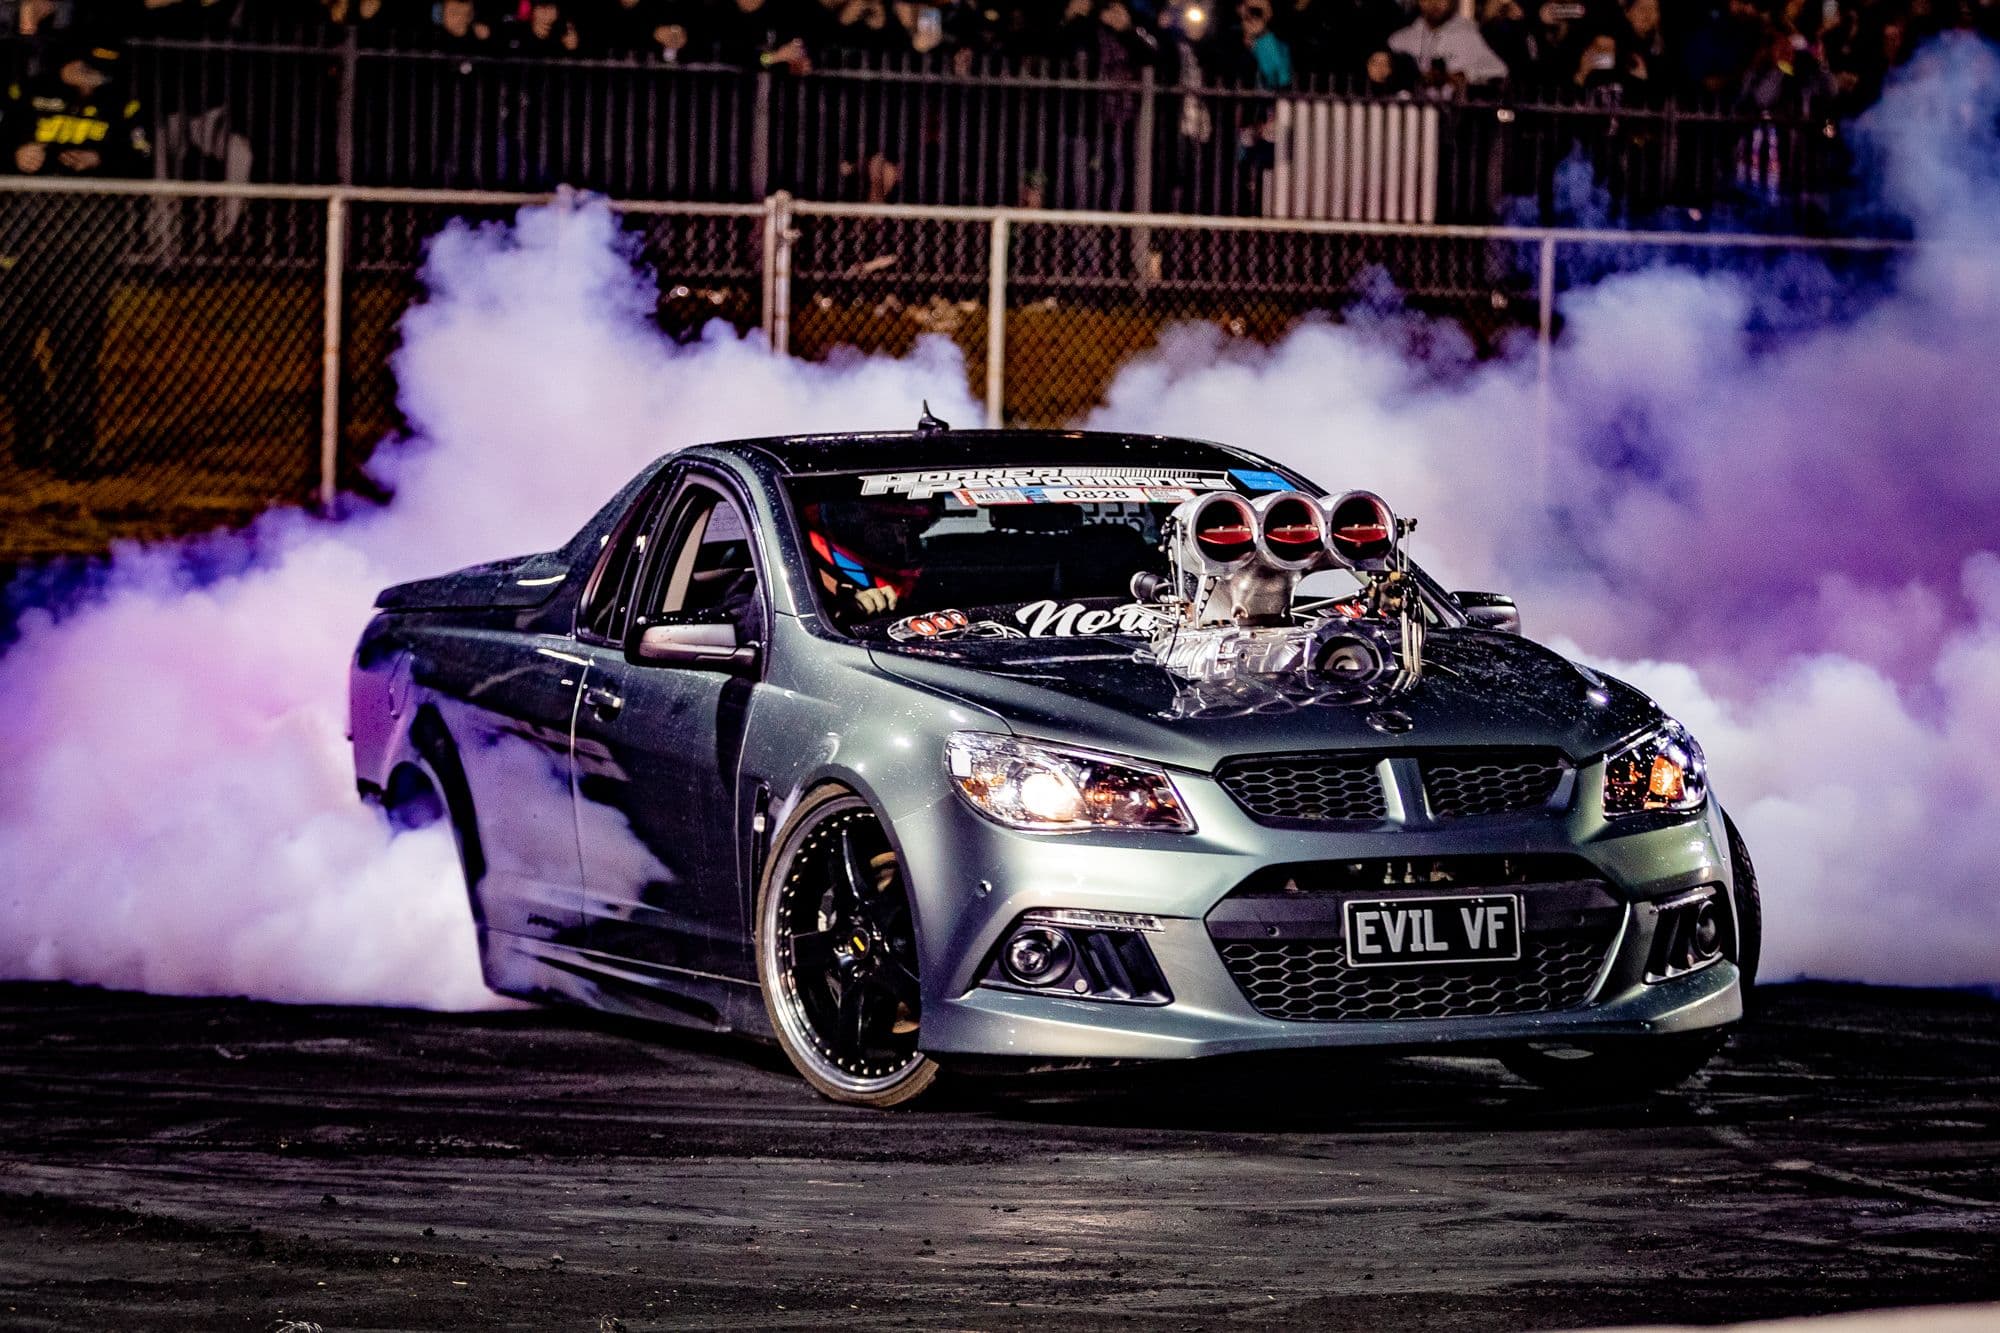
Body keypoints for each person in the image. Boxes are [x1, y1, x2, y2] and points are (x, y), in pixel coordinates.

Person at [1, 39, 149, 473]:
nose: (97, 78)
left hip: (87, 250)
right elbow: (4, 139)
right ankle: (32, 418)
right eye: (88, 68)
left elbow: (142, 160)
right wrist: (14, 155)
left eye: (103, 71)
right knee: (7, 343)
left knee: (77, 353)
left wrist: (99, 159)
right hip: (22, 246)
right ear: (67, 63)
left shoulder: (122, 104)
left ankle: (73, 450)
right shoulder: (26, 94)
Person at [1388, 0, 1509, 89]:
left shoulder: (1469, 33)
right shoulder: (1401, 40)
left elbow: (1499, 70)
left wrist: (1460, 76)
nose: (1434, 3)